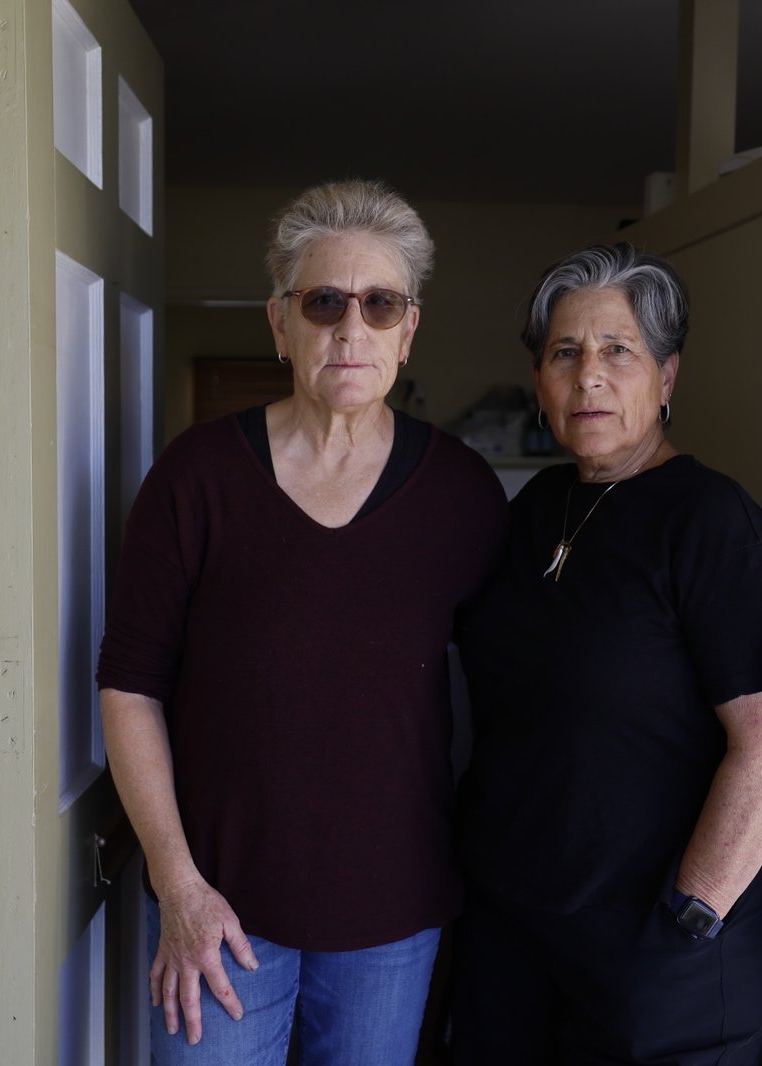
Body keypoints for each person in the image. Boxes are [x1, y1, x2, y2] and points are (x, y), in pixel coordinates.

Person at [95, 180, 507, 1065]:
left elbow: (521, 685)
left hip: (393, 918)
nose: (351, 328)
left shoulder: (463, 493)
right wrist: (177, 884)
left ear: (408, 330)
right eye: (324, 302)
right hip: (217, 912)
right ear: (280, 323)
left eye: (379, 304)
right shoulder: (197, 477)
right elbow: (129, 685)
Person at [452, 243, 762, 1064]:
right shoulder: (538, 508)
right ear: (540, 380)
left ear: (667, 376)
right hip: (513, 945)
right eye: (564, 352)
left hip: (652, 968)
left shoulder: (713, 526)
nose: (589, 375)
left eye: (618, 350)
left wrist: (691, 915)